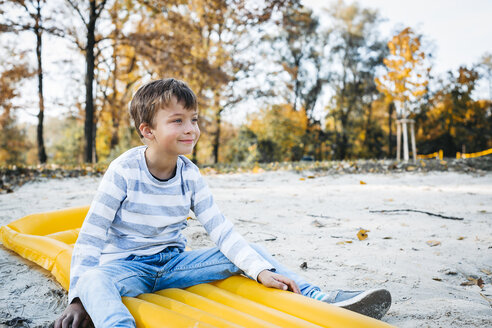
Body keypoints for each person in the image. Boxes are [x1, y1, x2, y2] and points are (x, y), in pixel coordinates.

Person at [54, 78, 391, 328]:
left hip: (173, 264)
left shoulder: (189, 173)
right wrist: (79, 298)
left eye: (194, 119)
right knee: (94, 280)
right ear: (148, 130)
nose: (191, 129)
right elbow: (91, 236)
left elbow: (220, 228)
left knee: (254, 251)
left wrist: (258, 271)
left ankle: (323, 299)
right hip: (124, 268)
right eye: (178, 120)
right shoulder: (123, 171)